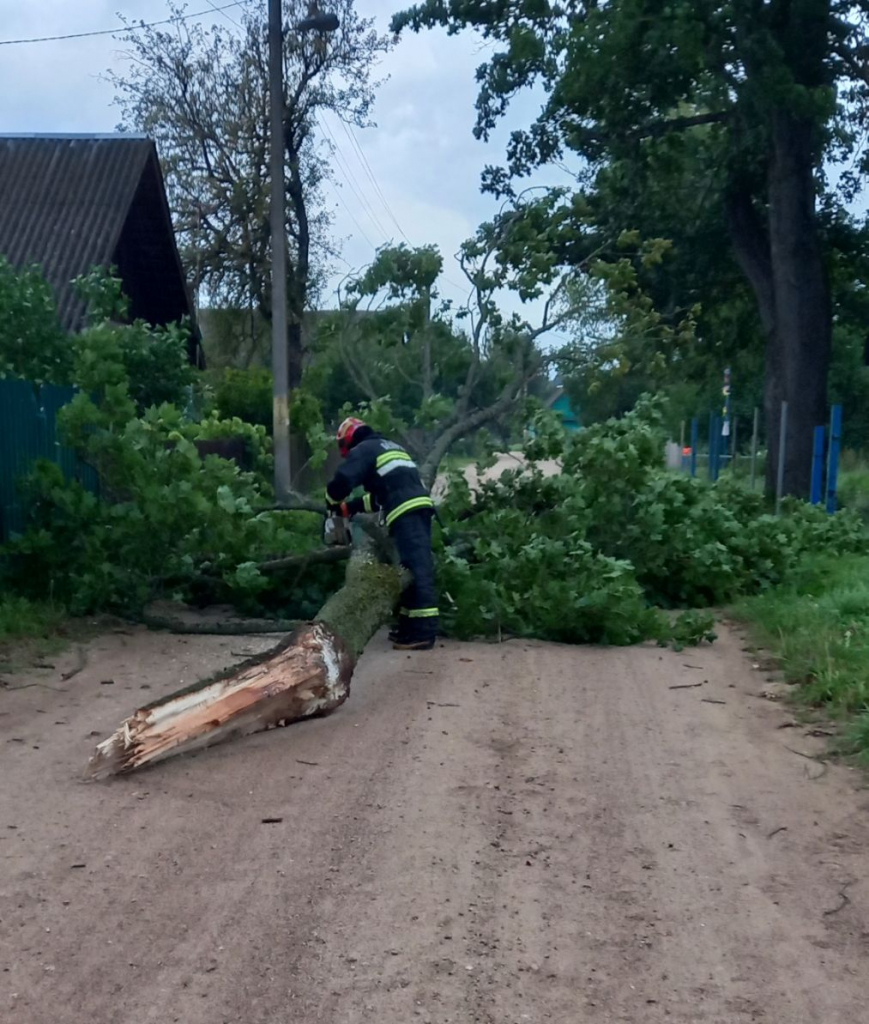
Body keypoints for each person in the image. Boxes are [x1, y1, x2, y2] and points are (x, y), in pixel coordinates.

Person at [325, 417, 439, 651]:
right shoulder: (388, 446)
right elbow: (382, 495)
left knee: (418, 570)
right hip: (415, 507)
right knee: (406, 569)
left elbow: (343, 479)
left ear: (348, 441)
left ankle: (423, 632)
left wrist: (333, 502)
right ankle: (408, 627)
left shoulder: (364, 449)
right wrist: (350, 507)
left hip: (406, 511)